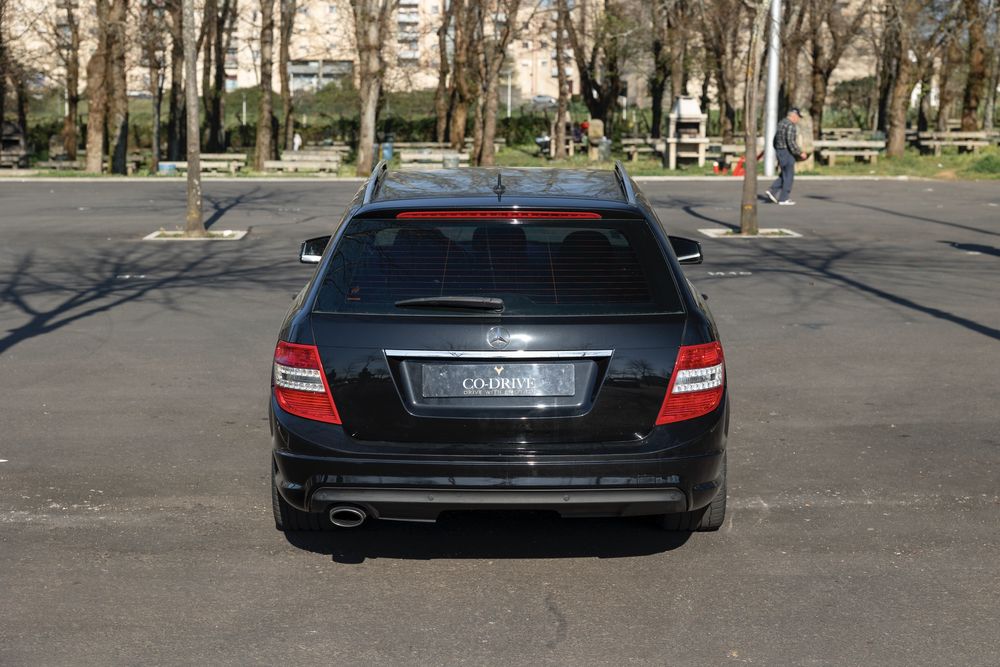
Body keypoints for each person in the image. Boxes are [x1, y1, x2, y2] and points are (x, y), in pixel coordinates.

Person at [765, 108, 807, 206]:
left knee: (784, 173)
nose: (798, 120)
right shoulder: (790, 126)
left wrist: (778, 150)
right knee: (789, 175)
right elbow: (790, 142)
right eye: (798, 117)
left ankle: (773, 190)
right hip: (786, 152)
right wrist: (799, 153)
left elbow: (775, 139)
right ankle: (784, 198)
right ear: (793, 116)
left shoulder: (781, 123)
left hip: (780, 151)